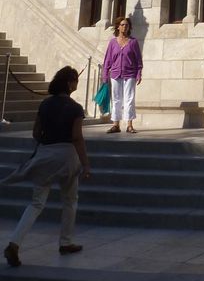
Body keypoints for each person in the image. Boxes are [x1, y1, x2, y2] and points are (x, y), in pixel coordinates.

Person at [3, 66, 91, 267]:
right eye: (75, 80)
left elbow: (36, 133)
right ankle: (66, 242)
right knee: (70, 199)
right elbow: (77, 137)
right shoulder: (75, 108)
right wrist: (86, 164)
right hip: (67, 156)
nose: (76, 84)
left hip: (45, 155)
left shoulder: (45, 104)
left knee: (36, 203)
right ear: (70, 83)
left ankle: (15, 242)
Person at [102, 17, 143, 134]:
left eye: (126, 25)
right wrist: (105, 75)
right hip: (115, 73)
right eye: (122, 25)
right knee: (116, 99)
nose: (124, 27)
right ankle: (116, 124)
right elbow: (107, 61)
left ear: (129, 27)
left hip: (130, 73)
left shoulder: (133, 42)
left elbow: (138, 60)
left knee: (129, 98)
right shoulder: (112, 42)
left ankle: (129, 125)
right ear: (118, 27)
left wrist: (139, 73)